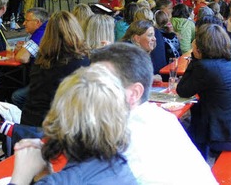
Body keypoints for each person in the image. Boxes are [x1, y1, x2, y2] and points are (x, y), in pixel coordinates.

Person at [91, 43, 218, 184]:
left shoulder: (124, 135)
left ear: (134, 93)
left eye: (101, 83)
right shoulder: (160, 117)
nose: (89, 90)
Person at [9, 65, 137, 185]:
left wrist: (20, 177)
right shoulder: (122, 168)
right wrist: (45, 175)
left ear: (58, 117)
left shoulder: (64, 180)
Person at [176, 24, 231, 160]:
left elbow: (182, 90)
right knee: (199, 113)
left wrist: (194, 58)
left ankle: (199, 167)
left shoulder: (204, 66)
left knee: (185, 129)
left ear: (200, 47)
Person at [20, 11, 90, 128]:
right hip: (60, 124)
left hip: (32, 121)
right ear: (75, 31)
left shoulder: (41, 59)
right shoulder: (81, 62)